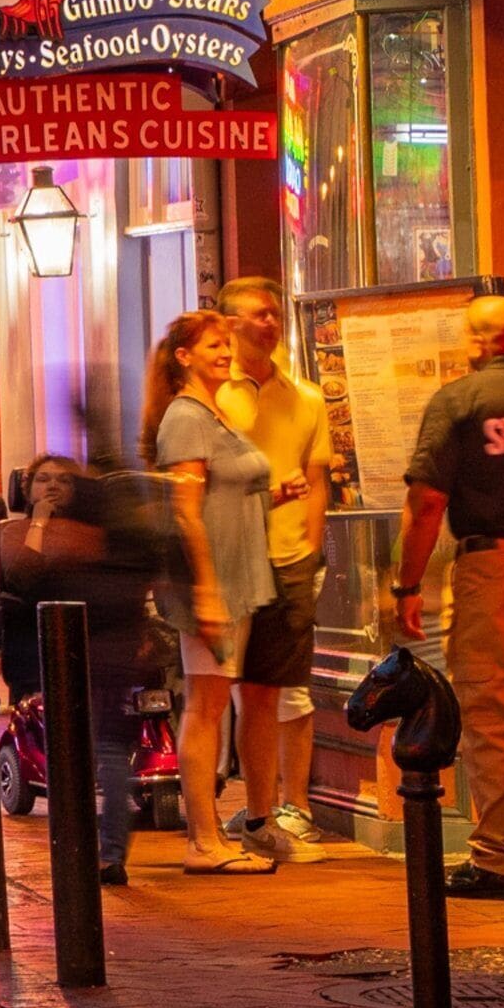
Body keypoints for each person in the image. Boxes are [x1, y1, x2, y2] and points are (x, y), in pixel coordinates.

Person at [393, 295, 504, 899]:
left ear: (480, 342)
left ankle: (499, 859)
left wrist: (408, 584)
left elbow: (427, 502)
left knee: (490, 712)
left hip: (493, 568)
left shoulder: (460, 400)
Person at [147, 310, 280, 876]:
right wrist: (205, 590)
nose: (226, 352)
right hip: (215, 585)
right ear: (184, 357)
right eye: (212, 345)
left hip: (235, 580)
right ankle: (203, 840)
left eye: (227, 343)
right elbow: (186, 514)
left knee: (213, 705)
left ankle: (209, 835)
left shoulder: (211, 414)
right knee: (204, 708)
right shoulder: (185, 418)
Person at [11, 457, 172, 887]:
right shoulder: (24, 533)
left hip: (101, 659)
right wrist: (40, 522)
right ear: (26, 488)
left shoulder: (95, 536)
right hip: (56, 661)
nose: (54, 487)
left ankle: (107, 854)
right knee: (76, 754)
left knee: (106, 753)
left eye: (64, 480)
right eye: (43, 479)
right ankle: (89, 850)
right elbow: (21, 584)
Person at [217, 275, 335, 858]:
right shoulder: (213, 395)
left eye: (274, 314)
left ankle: (262, 815)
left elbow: (317, 482)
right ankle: (212, 824)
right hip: (229, 563)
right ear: (229, 323)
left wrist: (311, 552)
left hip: (288, 560)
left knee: (269, 692)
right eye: (258, 314)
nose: (271, 322)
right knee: (218, 692)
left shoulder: (307, 398)